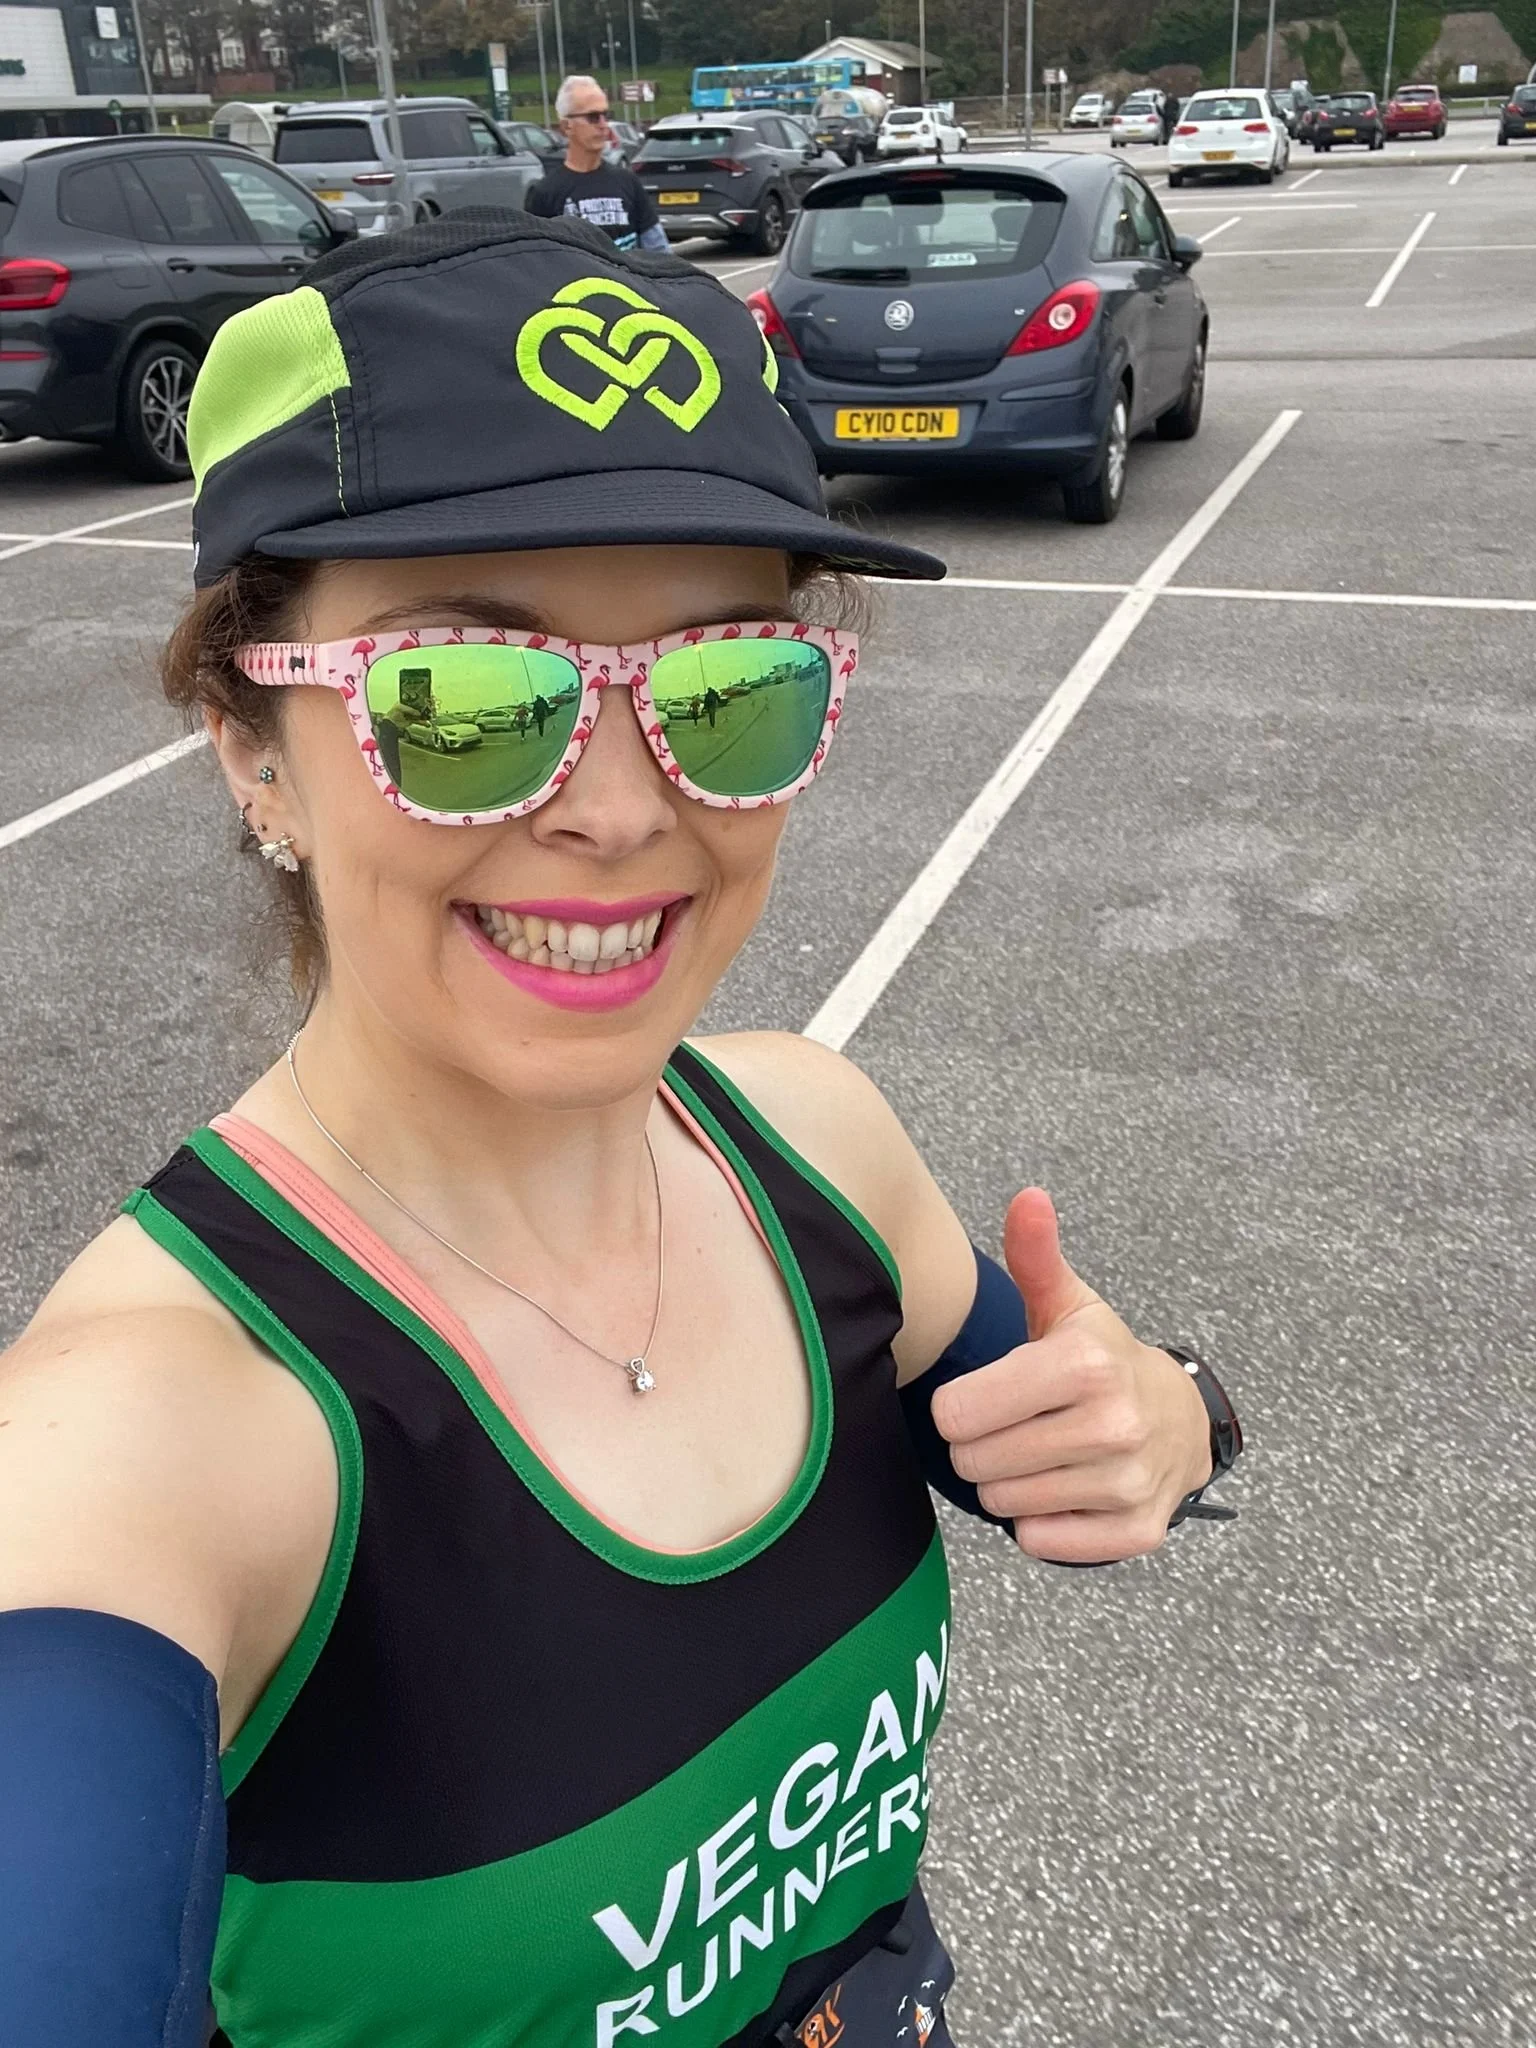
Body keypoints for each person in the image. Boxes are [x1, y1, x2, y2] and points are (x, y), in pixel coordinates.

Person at [0, 213, 1242, 2046]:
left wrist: (1167, 1411)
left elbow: (1069, 1418)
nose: (615, 807)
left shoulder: (819, 1146)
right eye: (463, 698)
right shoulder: (160, 1431)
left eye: (723, 685)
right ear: (252, 747)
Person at [525, 72, 668, 252]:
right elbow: (538, 262)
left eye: (606, 115)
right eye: (593, 117)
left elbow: (659, 252)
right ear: (567, 126)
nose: (603, 125)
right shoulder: (545, 193)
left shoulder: (627, 182)